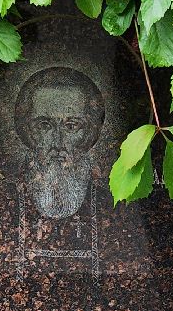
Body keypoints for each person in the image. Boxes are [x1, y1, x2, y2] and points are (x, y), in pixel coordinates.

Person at [14, 67, 106, 219]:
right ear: (27, 130)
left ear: (90, 131)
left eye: (71, 126)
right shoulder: (5, 191)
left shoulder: (107, 195)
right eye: (44, 125)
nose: (58, 143)